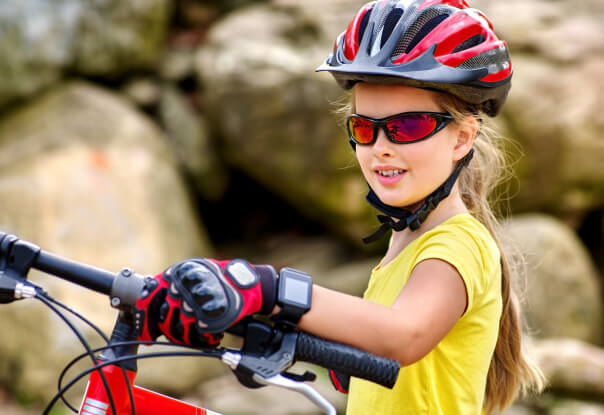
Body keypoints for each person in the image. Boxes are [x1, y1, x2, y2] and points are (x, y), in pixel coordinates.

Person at [134, 1, 545, 414]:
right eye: (365, 128)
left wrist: (267, 288)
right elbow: (378, 349)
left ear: (461, 139)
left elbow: (403, 335)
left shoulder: (459, 243)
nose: (381, 148)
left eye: (407, 127)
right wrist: (229, 315)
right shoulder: (405, 241)